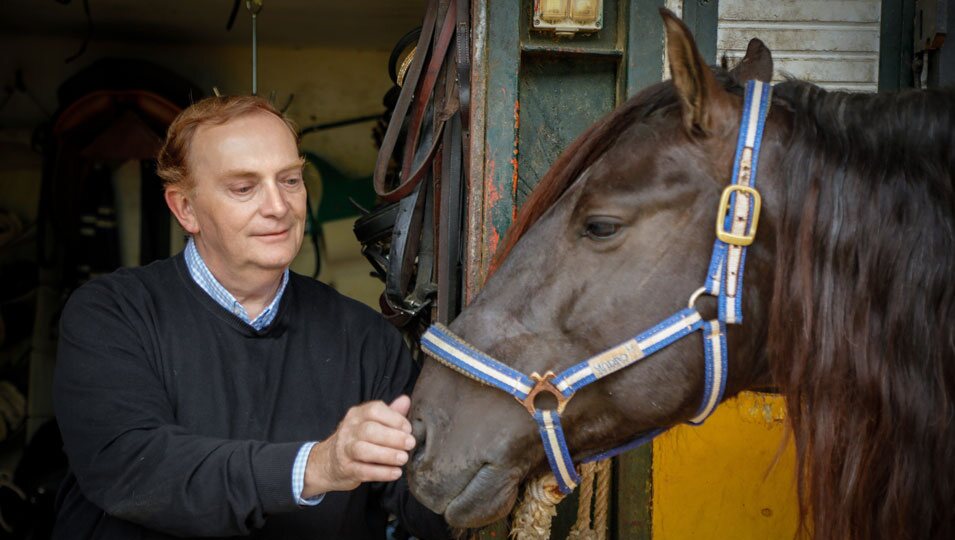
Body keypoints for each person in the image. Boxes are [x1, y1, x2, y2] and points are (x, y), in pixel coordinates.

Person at [52, 95, 450, 540]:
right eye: (244, 187)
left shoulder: (365, 339)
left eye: (290, 180)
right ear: (185, 208)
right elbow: (133, 469)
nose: (278, 207)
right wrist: (316, 467)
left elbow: (429, 503)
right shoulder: (113, 315)